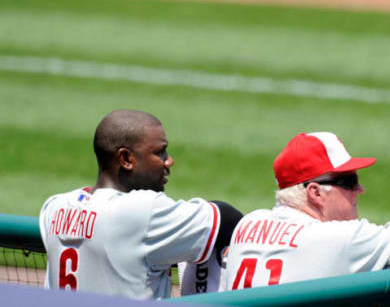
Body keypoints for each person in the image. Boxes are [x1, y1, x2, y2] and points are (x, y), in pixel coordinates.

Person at [39, 110, 242, 300]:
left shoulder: (55, 207)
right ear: (126, 159)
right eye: (160, 152)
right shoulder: (143, 211)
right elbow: (225, 217)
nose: (169, 161)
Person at [222, 132, 390, 290]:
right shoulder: (341, 238)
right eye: (349, 181)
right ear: (316, 193)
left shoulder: (249, 223)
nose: (360, 190)